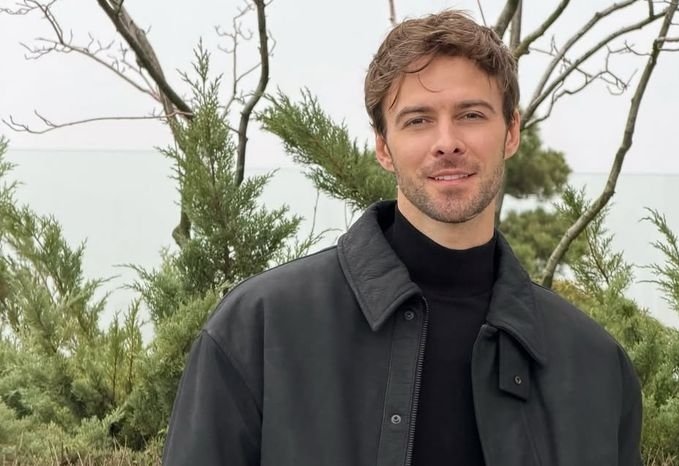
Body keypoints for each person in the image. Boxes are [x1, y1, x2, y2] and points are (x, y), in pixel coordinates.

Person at [162, 10, 643, 466]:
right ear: (383, 147)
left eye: (471, 115)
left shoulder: (595, 367)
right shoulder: (260, 330)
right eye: (418, 120)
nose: (447, 142)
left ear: (511, 131)